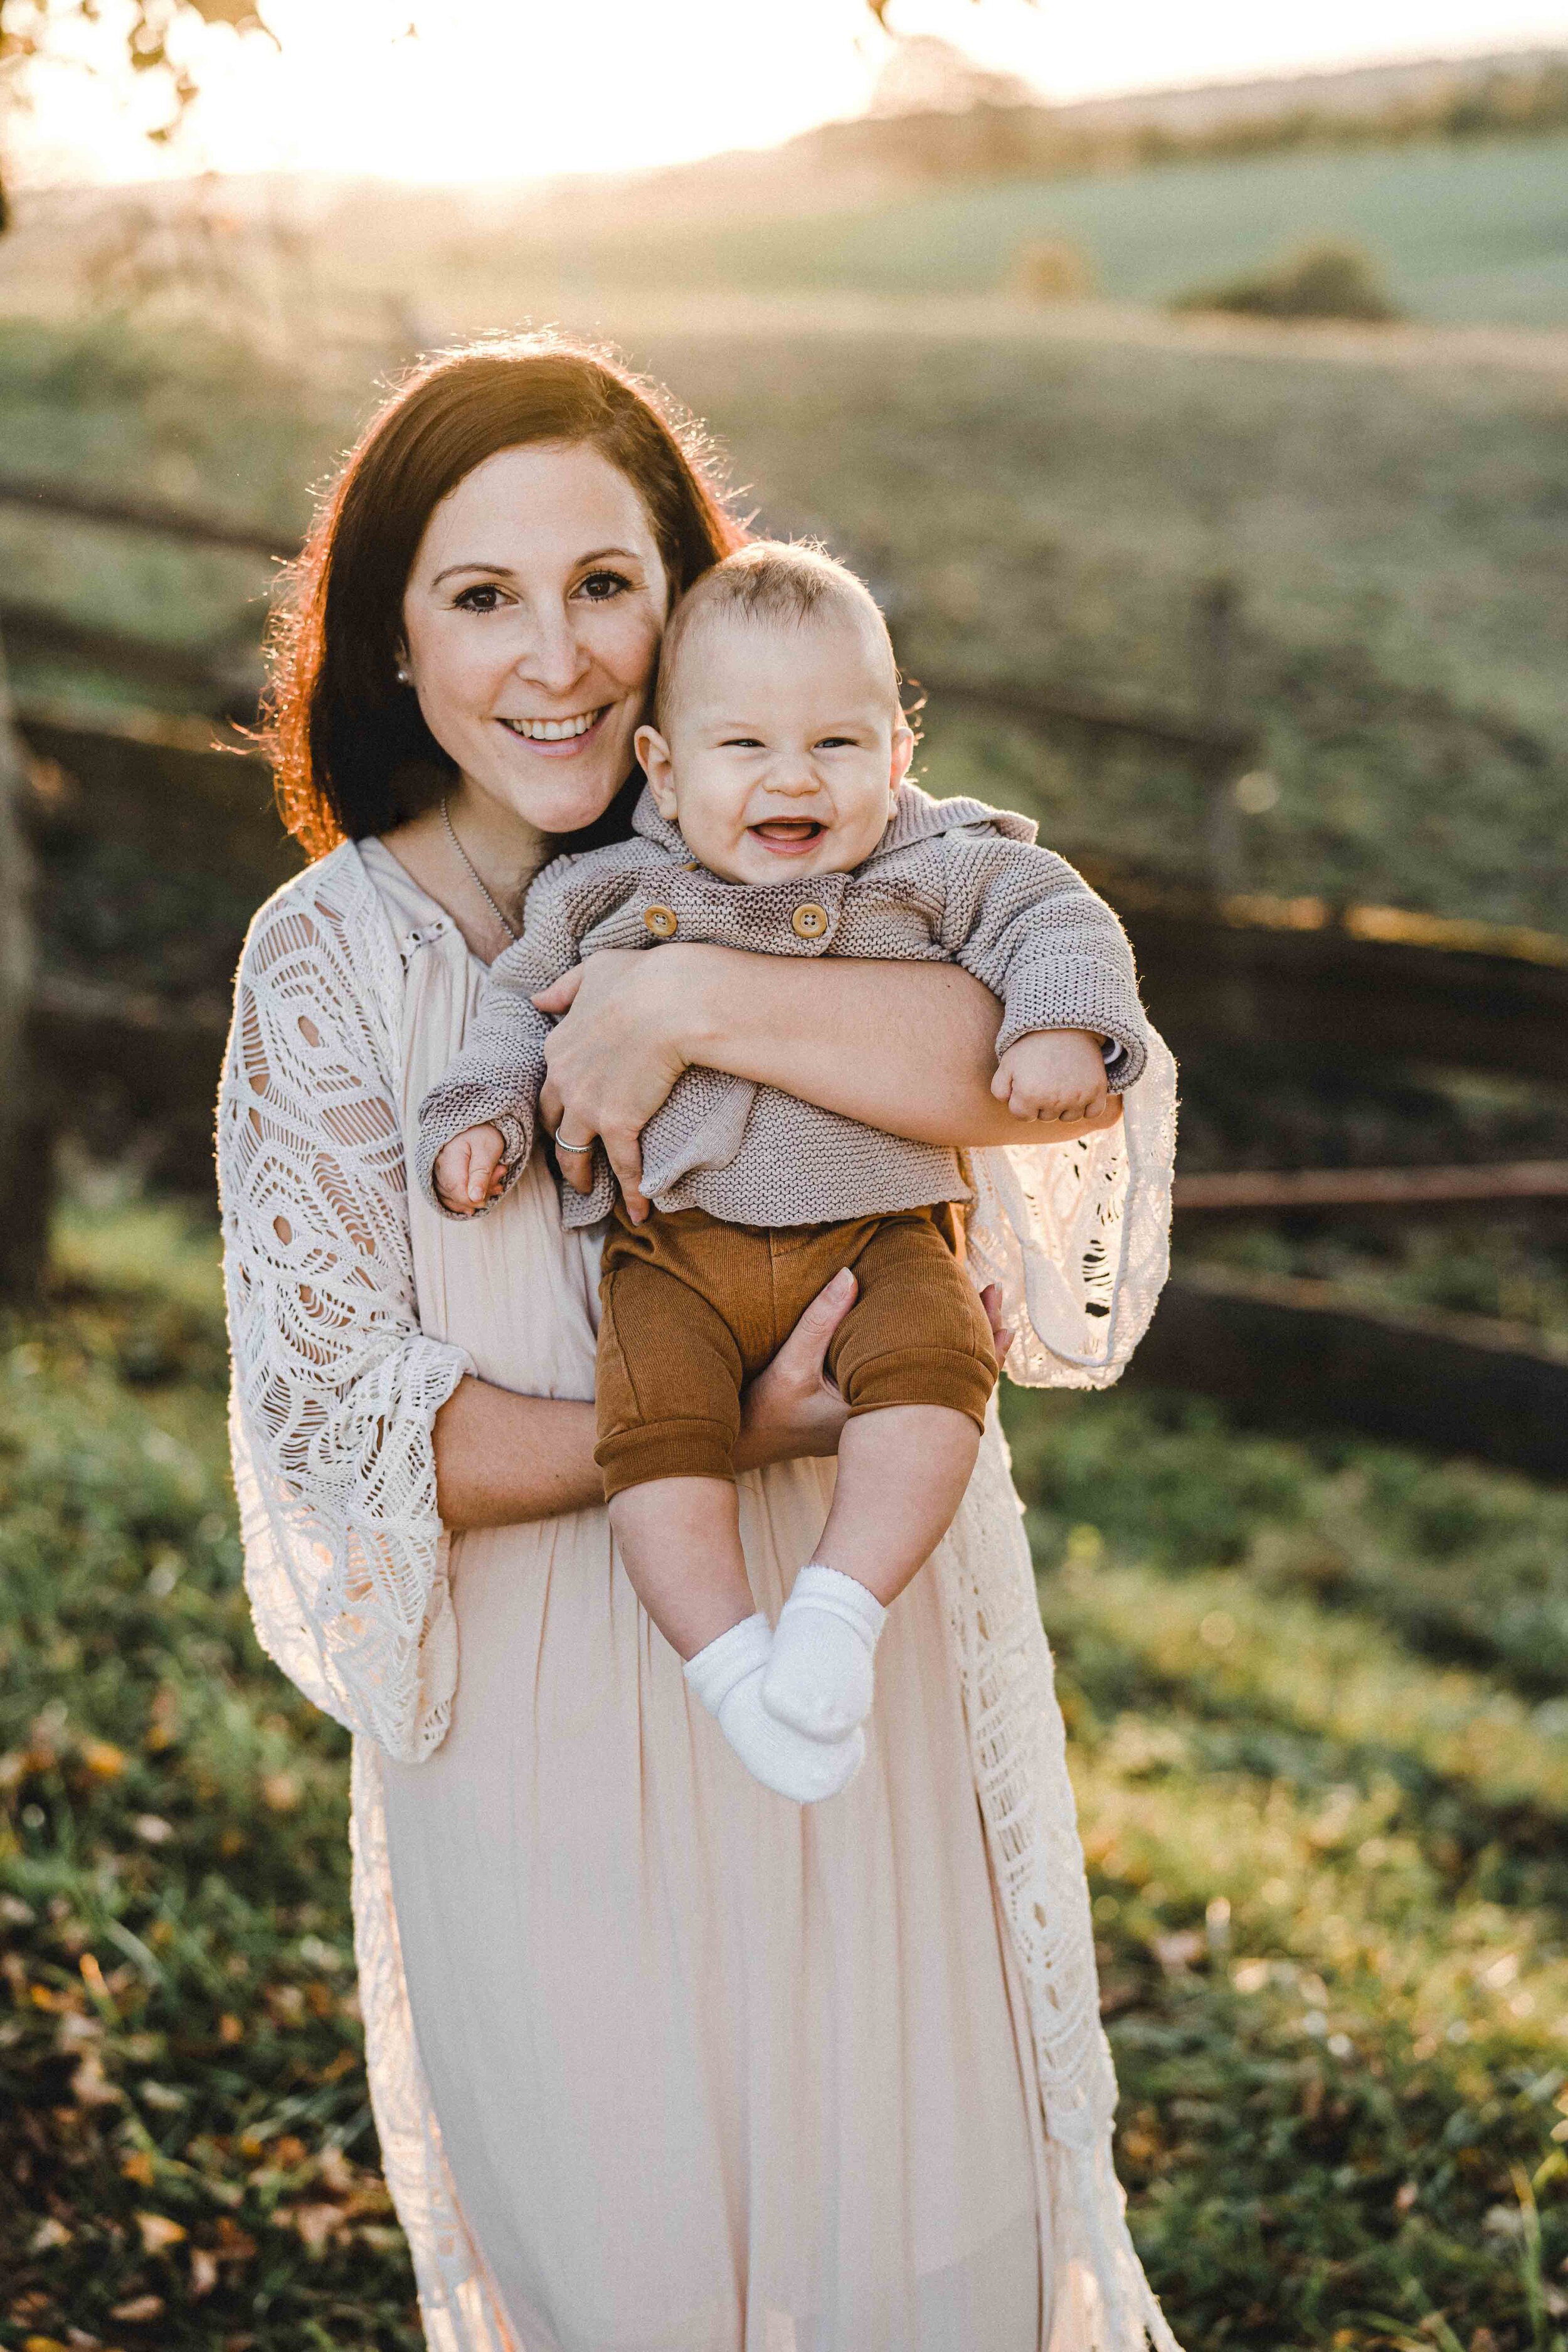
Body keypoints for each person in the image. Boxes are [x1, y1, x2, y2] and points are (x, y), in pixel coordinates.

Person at [218, 332, 1181, 2352]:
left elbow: (1039, 1075)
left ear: (684, 600)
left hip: (865, 1689)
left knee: (921, 2259)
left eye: (602, 584)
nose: (553, 657)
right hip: (546, 1736)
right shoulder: (329, 960)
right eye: (479, 597)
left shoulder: (822, 833)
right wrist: (723, 1423)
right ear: (392, 643)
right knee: (634, 2281)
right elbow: (356, 1429)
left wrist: (687, 1009)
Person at [419, 539, 1151, 1807]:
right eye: (743, 747)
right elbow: (512, 1012)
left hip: (883, 1234)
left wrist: (1053, 1024)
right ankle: (729, 1670)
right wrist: (481, 1113)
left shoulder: (938, 863)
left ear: (897, 752)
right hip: (673, 1252)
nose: (791, 780)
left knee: (936, 1377)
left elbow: (1056, 918)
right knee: (656, 1444)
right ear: (661, 766)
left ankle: (834, 1613)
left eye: (836, 745)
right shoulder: (603, 890)